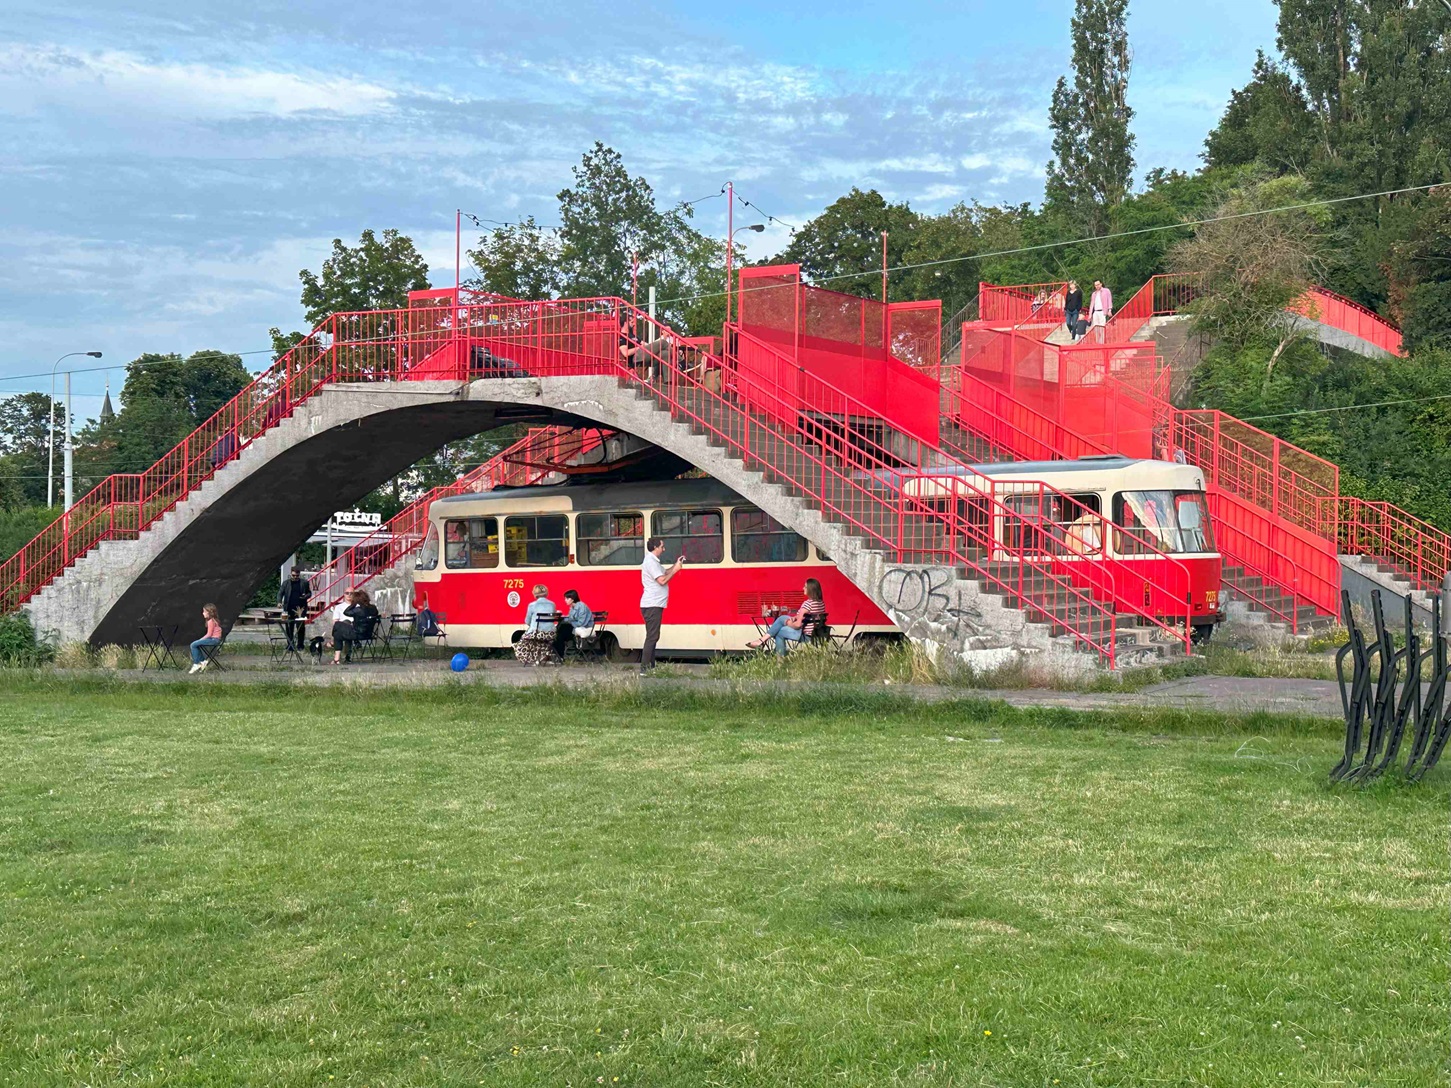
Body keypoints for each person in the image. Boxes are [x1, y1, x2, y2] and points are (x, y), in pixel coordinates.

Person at [639, 536, 684, 676]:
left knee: (653, 636)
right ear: (655, 548)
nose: (664, 549)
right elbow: (662, 580)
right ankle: (645, 669)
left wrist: (675, 565)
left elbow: (664, 573)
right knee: (652, 637)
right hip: (652, 604)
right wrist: (676, 570)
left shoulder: (654, 562)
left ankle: (651, 667)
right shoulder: (651, 563)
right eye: (662, 547)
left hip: (654, 604)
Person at [748, 578, 827, 656]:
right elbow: (809, 616)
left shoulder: (807, 604)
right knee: (782, 619)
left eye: (805, 587)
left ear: (811, 589)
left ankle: (773, 654)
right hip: (816, 633)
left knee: (779, 630)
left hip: (805, 635)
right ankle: (762, 641)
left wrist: (788, 623)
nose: (803, 588)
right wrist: (795, 617)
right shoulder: (820, 603)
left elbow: (797, 626)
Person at [332, 589, 379, 664]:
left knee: (337, 627)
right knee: (343, 629)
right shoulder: (373, 608)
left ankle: (336, 658)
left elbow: (346, 612)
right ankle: (344, 657)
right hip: (368, 634)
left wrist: (353, 604)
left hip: (357, 634)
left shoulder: (358, 610)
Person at [552, 589, 594, 662]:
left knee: (560, 632)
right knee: (561, 628)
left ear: (572, 599)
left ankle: (558, 655)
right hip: (576, 627)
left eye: (567, 598)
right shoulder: (573, 607)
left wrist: (569, 622)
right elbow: (570, 618)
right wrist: (562, 618)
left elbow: (581, 622)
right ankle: (562, 655)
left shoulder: (581, 607)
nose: (565, 600)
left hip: (584, 627)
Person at [276, 566, 312, 651]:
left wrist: (305, 596)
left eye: (297, 575)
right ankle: (290, 645)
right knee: (289, 627)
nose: (295, 577)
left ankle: (300, 645)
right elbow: (280, 593)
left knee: (300, 627)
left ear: (299, 574)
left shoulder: (304, 583)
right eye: (293, 575)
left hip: (300, 608)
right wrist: (279, 602)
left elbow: (309, 593)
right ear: (291, 574)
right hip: (289, 607)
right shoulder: (286, 583)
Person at [188, 603, 223, 674]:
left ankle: (197, 663)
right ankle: (202, 661)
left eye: (204, 611)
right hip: (215, 639)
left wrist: (200, 640)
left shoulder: (211, 621)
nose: (203, 613)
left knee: (193, 644)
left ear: (209, 613)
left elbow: (209, 634)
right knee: (197, 645)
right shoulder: (214, 620)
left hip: (214, 640)